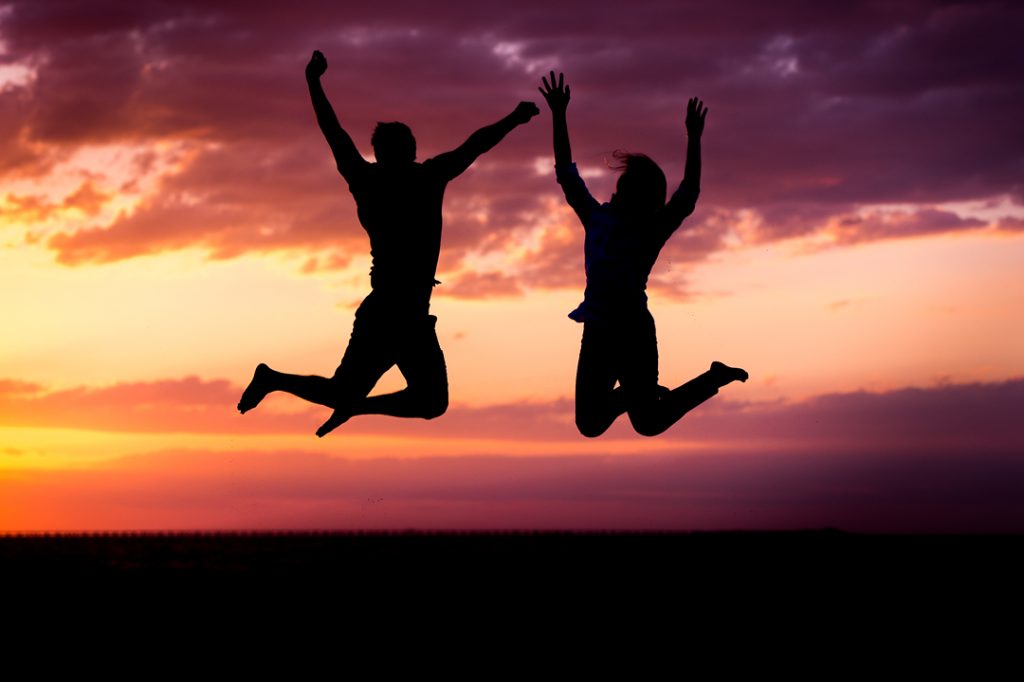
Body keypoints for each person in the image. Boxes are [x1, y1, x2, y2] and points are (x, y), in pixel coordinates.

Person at [239, 50, 539, 437]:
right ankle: (293, 386)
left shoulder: (370, 179)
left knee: (395, 398)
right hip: (395, 312)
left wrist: (313, 81)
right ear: (409, 152)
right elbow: (474, 145)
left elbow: (335, 134)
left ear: (382, 153)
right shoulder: (425, 178)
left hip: (396, 311)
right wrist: (514, 118)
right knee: (422, 401)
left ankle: (285, 382)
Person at [538, 71, 747, 438]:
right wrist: (558, 113)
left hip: (633, 331)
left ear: (641, 200)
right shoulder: (597, 218)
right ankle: (635, 396)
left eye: (628, 191)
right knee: (589, 424)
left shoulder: (650, 228)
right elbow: (566, 174)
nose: (618, 195)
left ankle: (712, 377)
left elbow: (689, 193)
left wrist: (694, 139)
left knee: (648, 423)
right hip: (599, 331)